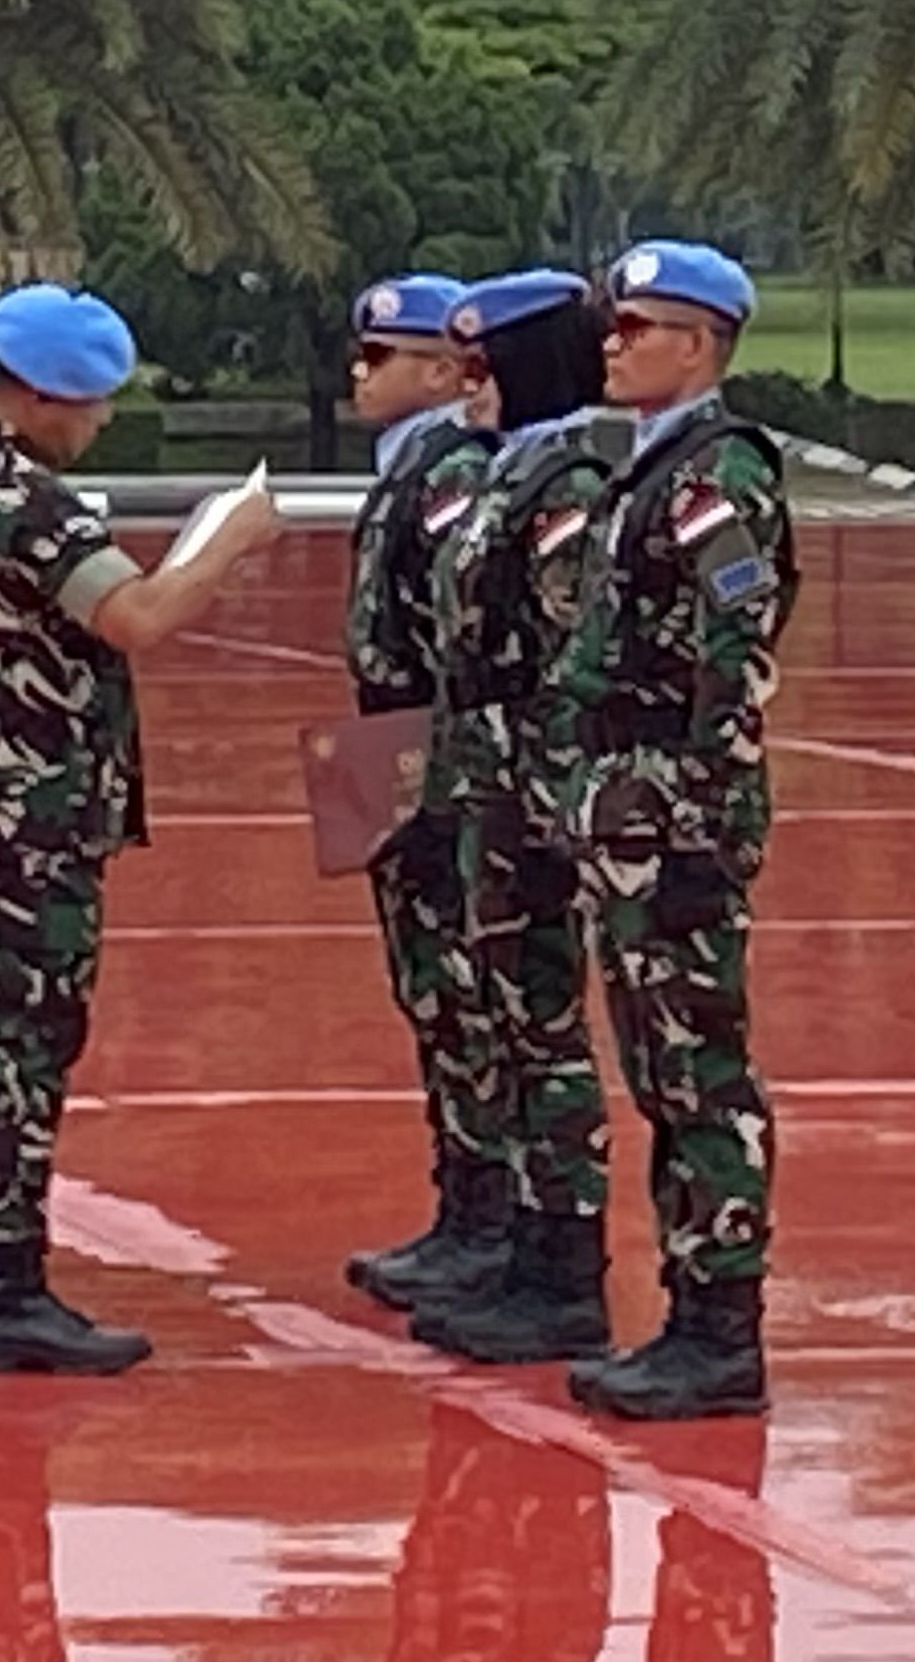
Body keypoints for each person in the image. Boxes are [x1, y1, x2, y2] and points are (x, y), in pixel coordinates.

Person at [0, 281, 287, 1375]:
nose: (98, 423)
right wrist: (227, 543)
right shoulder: (31, 500)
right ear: (34, 395)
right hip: (34, 820)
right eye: (86, 402)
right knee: (24, 1051)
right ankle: (7, 1287)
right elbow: (136, 618)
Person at [558, 241, 798, 1424]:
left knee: (699, 1069)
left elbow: (735, 654)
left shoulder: (715, 478)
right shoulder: (651, 472)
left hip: (675, 816)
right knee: (659, 1064)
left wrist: (704, 821)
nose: (613, 344)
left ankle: (720, 1329)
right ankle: (690, 1312)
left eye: (635, 328)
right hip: (630, 805)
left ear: (697, 345)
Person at [413, 269, 631, 1367]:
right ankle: (522, 1249)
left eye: (486, 367)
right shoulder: (515, 471)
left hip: (536, 801)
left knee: (543, 1030)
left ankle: (563, 1269)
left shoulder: (571, 488)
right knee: (502, 1020)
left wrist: (551, 802)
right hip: (486, 789)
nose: (467, 387)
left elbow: (564, 661)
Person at [333, 272, 509, 1313]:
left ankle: (483, 1213)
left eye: (378, 358)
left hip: (427, 745)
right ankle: (460, 1205)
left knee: (458, 985)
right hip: (384, 741)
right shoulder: (410, 465)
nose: (358, 375)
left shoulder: (450, 473)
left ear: (443, 371)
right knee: (424, 985)